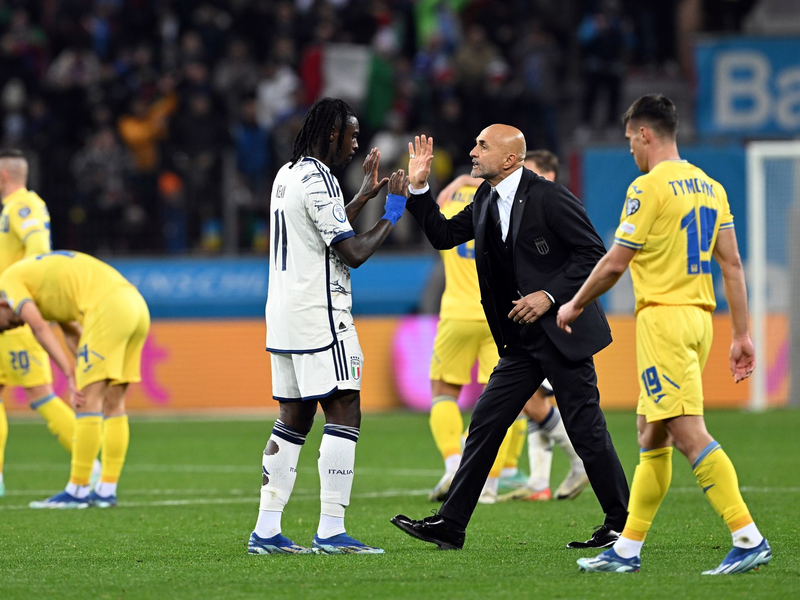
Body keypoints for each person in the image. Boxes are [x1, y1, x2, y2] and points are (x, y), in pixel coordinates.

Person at [558, 94, 771, 575]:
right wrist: (742, 335)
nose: (630, 148)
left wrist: (574, 303)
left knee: (687, 433)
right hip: (699, 321)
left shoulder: (648, 187)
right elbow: (732, 263)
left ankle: (747, 536)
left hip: (665, 320)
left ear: (644, 134)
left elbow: (616, 261)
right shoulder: (710, 186)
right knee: (650, 433)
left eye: (630, 139)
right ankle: (627, 549)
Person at [391, 127, 629, 551]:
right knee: (486, 422)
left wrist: (550, 295)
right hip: (520, 340)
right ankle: (451, 524)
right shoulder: (485, 199)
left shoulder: (549, 196)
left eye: (482, 145)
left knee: (585, 427)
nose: (472, 150)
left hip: (561, 331)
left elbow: (594, 253)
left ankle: (621, 523)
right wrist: (420, 186)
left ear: (510, 160)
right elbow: (443, 236)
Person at [250, 97, 409, 556]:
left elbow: (319, 231)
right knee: (345, 411)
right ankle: (331, 530)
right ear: (332, 133)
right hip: (321, 312)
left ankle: (266, 531)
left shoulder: (289, 173)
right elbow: (352, 253)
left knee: (294, 418)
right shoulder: (320, 180)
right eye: (353, 135)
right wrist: (392, 213)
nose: (357, 144)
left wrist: (361, 196)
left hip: (283, 313)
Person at [429, 150, 587, 505]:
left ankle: (458, 466)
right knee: (512, 401)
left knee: (445, 391)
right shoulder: (508, 203)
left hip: (456, 312)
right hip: (503, 313)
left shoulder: (454, 197)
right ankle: (492, 482)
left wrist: (455, 182)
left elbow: (436, 219)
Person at [0, 250, 149, 509]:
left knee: (85, 401)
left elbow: (39, 328)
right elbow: (72, 331)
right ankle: (106, 490)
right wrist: (84, 364)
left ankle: (77, 491)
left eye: (3, 324)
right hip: (135, 306)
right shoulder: (42, 283)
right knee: (114, 403)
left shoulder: (7, 283)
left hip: (107, 309)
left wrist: (71, 373)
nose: (11, 328)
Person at [0, 150, 99, 498]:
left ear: (3, 176)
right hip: (12, 309)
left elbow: (39, 248)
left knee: (41, 394)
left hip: (13, 313)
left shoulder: (22, 206)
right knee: (35, 394)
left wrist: (16, 291)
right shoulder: (18, 207)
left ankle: (89, 465)